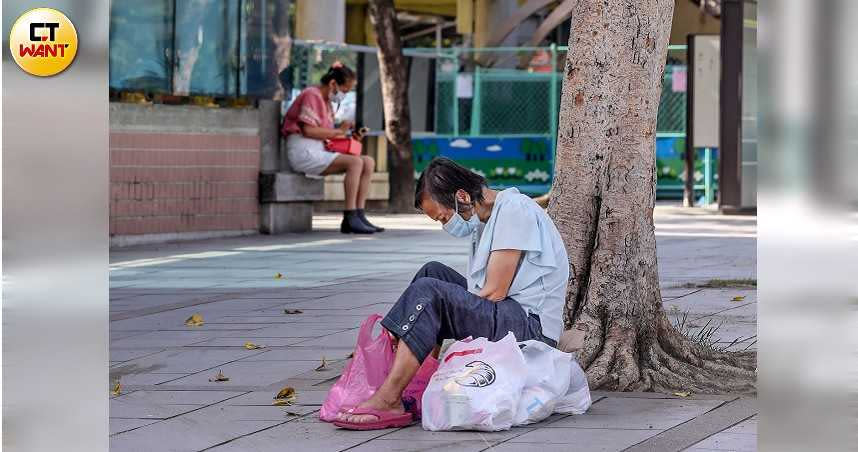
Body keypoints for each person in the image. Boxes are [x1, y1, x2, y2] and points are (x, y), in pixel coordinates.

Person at [333, 157, 570, 430]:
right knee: (431, 274)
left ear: (461, 195)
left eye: (444, 217)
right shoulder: (484, 219)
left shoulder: (514, 210)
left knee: (429, 292)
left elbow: (494, 292)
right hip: (507, 313)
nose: (445, 225)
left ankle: (389, 398)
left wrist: (438, 309)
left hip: (530, 326)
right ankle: (417, 380)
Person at [281, 63, 383, 234]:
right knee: (355, 163)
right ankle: (349, 216)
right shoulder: (311, 95)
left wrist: (349, 137)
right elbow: (308, 130)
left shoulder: (327, 103)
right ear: (333, 83)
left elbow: (327, 136)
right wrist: (339, 131)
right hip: (303, 151)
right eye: (345, 89)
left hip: (318, 149)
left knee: (368, 162)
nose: (344, 94)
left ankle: (359, 213)